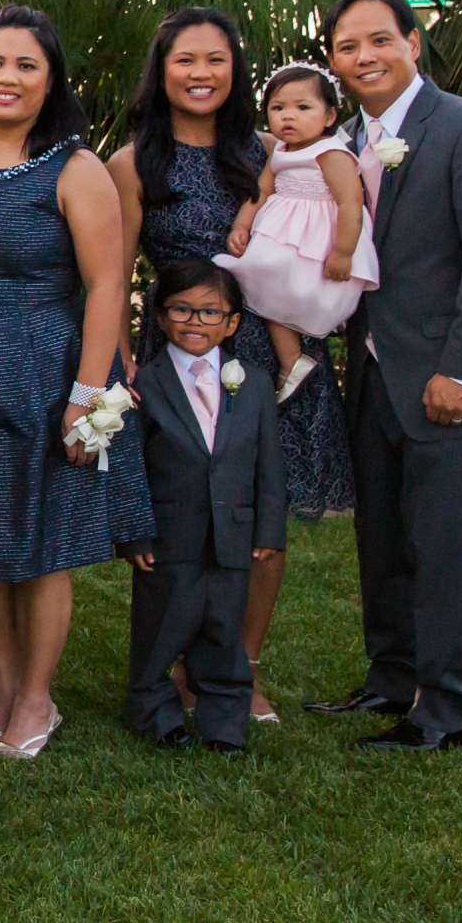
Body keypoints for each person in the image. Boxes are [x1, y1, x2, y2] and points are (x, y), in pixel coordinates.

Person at [0, 5, 153, 759]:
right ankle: (4, 688)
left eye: (25, 65)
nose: (6, 77)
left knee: (42, 540)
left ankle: (39, 698)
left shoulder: (76, 169)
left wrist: (85, 397)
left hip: (47, 364)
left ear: (51, 82)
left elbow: (108, 286)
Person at [111, 7, 353, 725]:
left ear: (235, 70)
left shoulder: (267, 152)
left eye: (216, 59)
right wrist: (122, 364)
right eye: (185, 59)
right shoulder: (132, 162)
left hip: (270, 352)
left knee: (261, 521)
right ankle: (180, 661)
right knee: (183, 524)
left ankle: (239, 669)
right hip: (176, 355)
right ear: (161, 70)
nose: (200, 74)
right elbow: (118, 269)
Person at [303, 0, 462, 751]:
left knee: (441, 547)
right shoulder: (343, 144)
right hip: (370, 378)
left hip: (441, 380)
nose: (362, 57)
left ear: (413, 43)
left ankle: (444, 709)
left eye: (378, 41)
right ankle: (389, 680)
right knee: (382, 540)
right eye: (345, 46)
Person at [127, 260, 286, 753]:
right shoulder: (144, 385)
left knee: (223, 626)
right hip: (169, 532)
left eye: (210, 312)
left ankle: (223, 722)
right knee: (162, 626)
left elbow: (268, 466)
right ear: (159, 316)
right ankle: (157, 714)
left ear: (233, 322)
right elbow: (132, 466)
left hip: (233, 531)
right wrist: (135, 531)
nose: (195, 322)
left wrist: (269, 531)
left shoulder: (253, 383)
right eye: (182, 309)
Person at [217, 63, 378, 401]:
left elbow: (351, 203)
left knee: (282, 288)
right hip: (283, 231)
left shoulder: (330, 153)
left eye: (303, 107)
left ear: (330, 115)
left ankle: (294, 360)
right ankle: (292, 360)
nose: (288, 117)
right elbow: (261, 192)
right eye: (278, 108)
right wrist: (241, 225)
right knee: (264, 286)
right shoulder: (280, 151)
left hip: (317, 240)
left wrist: (343, 252)